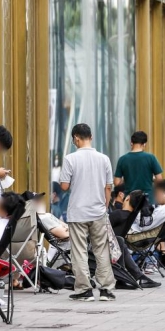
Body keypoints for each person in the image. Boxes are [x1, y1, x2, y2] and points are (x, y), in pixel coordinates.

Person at [59, 123, 116, 302]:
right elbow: (108, 187)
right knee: (102, 250)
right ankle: (106, 289)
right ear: (91, 137)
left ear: (76, 138)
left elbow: (64, 186)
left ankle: (84, 289)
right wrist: (105, 206)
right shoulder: (104, 159)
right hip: (98, 211)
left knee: (79, 251)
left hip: (78, 212)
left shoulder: (70, 159)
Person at [114, 131, 163, 203]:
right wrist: (151, 179)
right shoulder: (151, 158)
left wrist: (127, 179)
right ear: (144, 144)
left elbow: (116, 182)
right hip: (147, 199)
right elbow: (160, 180)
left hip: (129, 200)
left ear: (131, 142)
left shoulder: (122, 159)